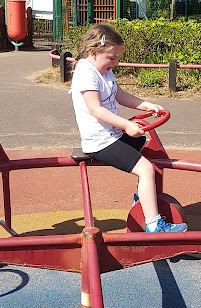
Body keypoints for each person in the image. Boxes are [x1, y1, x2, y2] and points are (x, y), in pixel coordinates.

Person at [70, 23, 187, 233]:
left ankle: (140, 198)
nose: (116, 62)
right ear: (93, 52)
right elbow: (95, 109)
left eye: (117, 57)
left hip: (112, 135)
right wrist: (126, 125)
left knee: (144, 144)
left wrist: (146, 105)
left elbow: (119, 95)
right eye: (111, 58)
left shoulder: (105, 71)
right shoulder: (86, 73)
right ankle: (153, 224)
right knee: (145, 169)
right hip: (99, 141)